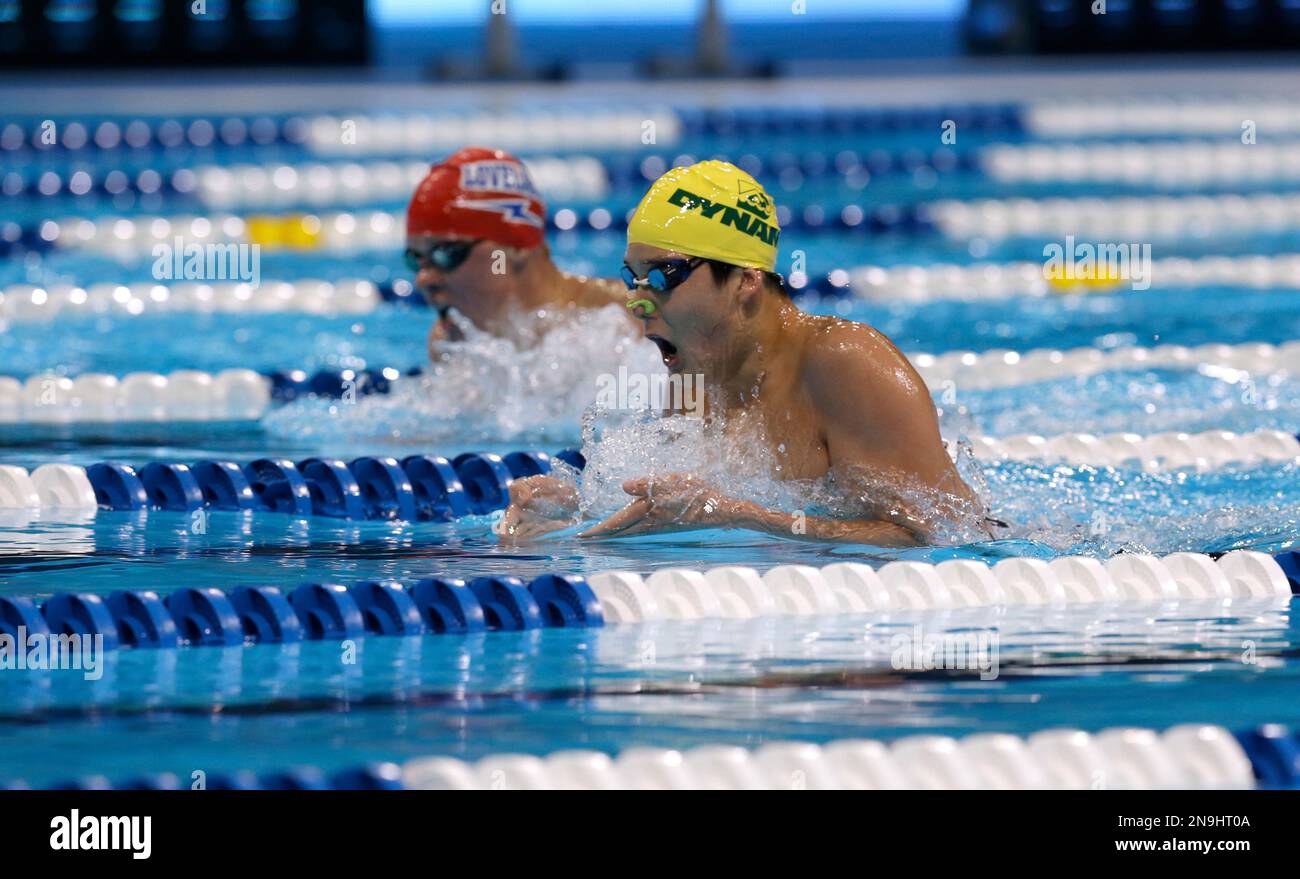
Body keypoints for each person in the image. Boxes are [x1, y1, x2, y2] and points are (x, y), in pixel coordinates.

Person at [499, 160, 988, 546]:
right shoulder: (698, 374)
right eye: (632, 276)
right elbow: (678, 509)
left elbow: (943, 536)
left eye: (663, 276)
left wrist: (741, 516)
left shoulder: (844, 362)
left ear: (745, 279)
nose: (636, 299)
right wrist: (571, 513)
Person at [404, 146, 625, 355]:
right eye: (416, 259)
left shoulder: (626, 323)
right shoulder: (451, 346)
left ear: (516, 247)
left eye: (446, 253)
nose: (423, 279)